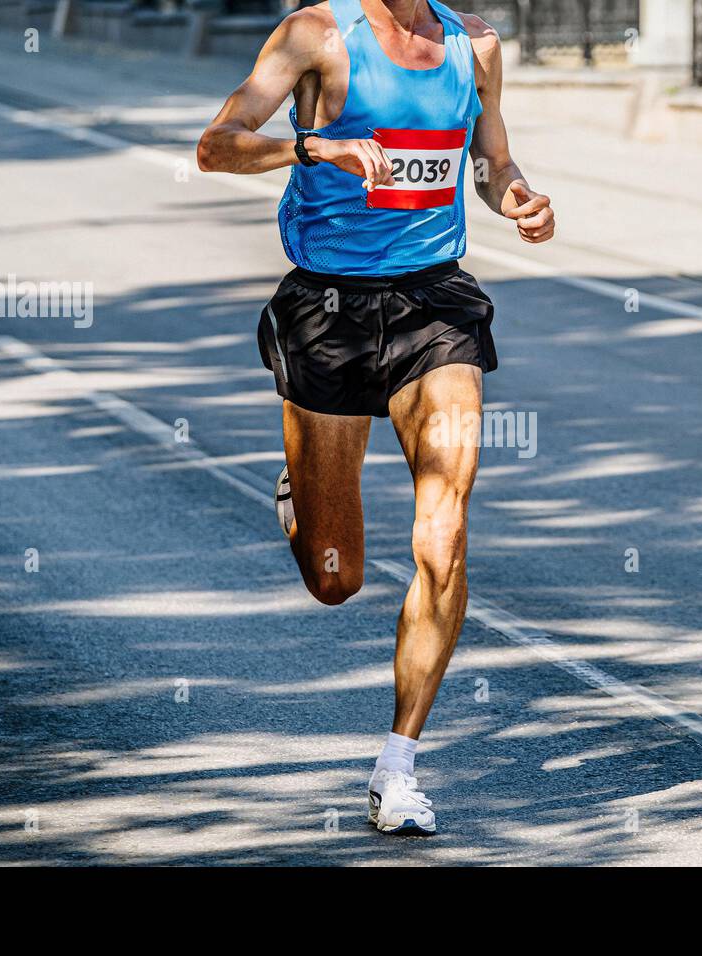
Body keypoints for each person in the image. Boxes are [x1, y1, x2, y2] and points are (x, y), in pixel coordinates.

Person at [197, 0, 554, 834]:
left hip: (437, 306)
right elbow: (215, 146)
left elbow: (492, 162)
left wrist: (520, 197)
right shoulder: (315, 35)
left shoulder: (476, 46)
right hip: (328, 310)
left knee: (443, 532)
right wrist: (311, 145)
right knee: (336, 579)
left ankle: (398, 766)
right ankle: (301, 492)